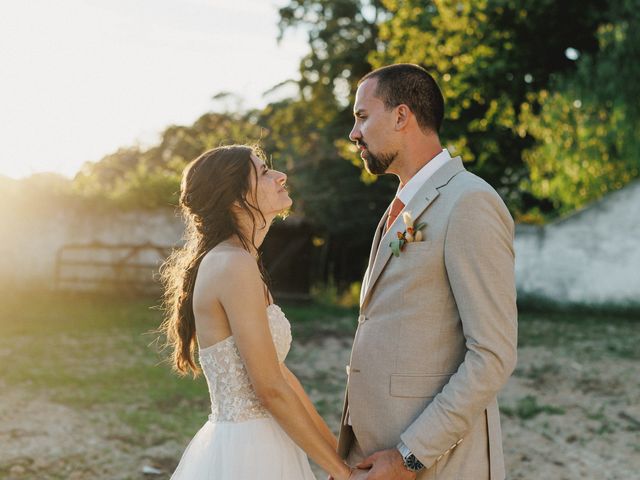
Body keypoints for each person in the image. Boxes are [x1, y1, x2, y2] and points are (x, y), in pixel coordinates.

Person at [337, 64, 518, 479]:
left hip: (433, 464)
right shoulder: (397, 207)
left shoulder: (470, 202)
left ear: (402, 116)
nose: (354, 134)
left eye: (363, 116)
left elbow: (492, 354)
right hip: (371, 456)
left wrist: (409, 456)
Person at [159, 145, 363, 480]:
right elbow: (268, 388)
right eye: (264, 172)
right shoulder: (232, 264)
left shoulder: (243, 260)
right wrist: (344, 474)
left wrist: (339, 458)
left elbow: (282, 376)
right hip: (247, 453)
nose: (280, 176)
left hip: (270, 440)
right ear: (236, 198)